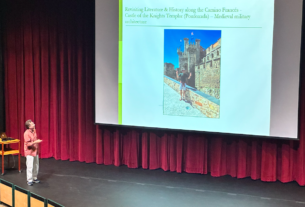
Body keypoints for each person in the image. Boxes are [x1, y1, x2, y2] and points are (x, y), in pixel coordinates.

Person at [24, 120, 42, 186]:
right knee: (30, 165)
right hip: (29, 151)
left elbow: (34, 140)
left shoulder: (34, 131)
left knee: (36, 164)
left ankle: (35, 177)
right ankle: (29, 180)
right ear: (29, 126)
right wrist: (35, 142)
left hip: (35, 151)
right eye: (32, 123)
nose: (34, 124)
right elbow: (27, 144)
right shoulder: (26, 133)